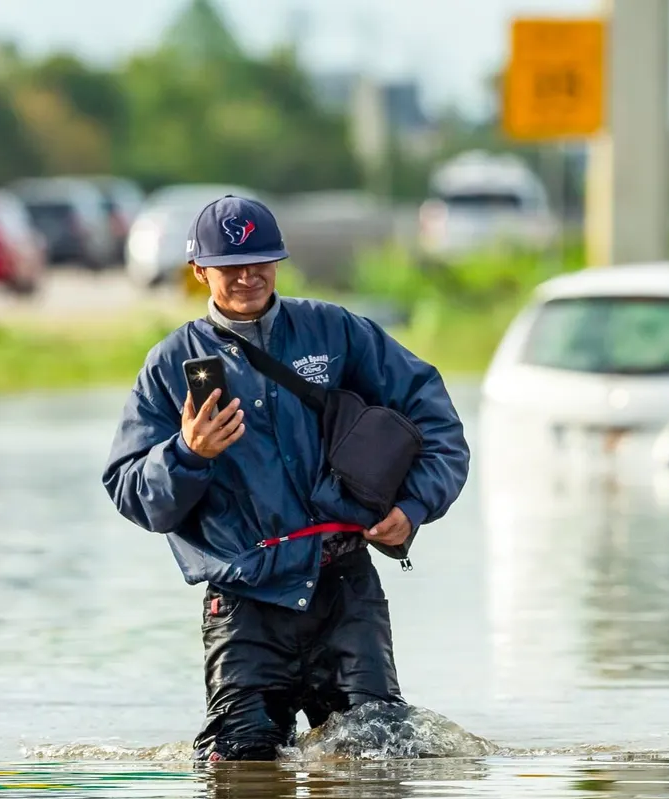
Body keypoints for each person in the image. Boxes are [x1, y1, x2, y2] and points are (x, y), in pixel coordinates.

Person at [102, 194, 469, 762]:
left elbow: (437, 421)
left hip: (346, 589)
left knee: (377, 765)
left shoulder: (337, 332)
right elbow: (130, 490)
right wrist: (187, 453)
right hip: (242, 605)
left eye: (262, 261)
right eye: (230, 266)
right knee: (238, 774)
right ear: (198, 270)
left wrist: (415, 506)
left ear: (279, 261)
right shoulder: (169, 364)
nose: (248, 276)